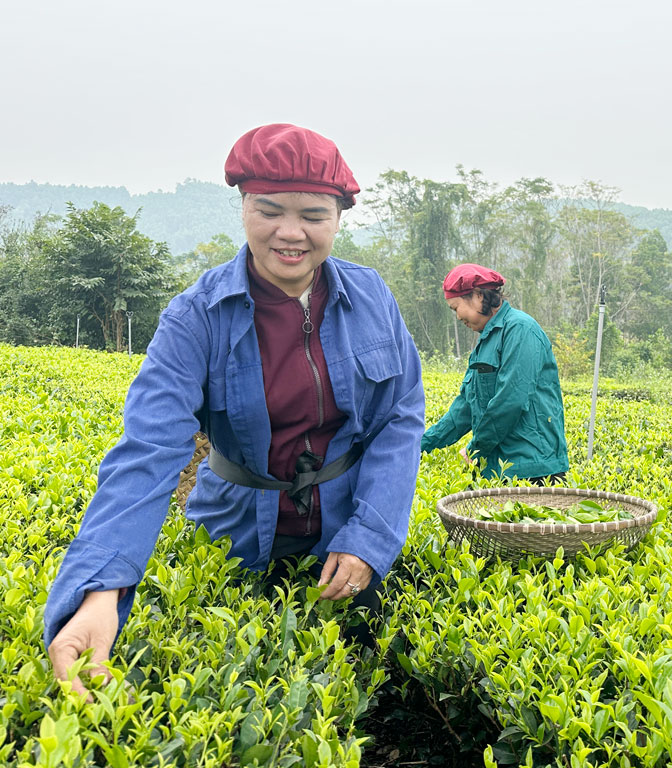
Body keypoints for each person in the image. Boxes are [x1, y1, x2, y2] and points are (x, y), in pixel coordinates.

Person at [45, 123, 425, 695]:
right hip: (237, 535)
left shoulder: (371, 297)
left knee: (352, 688)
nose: (290, 233)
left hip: (346, 533)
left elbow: (400, 416)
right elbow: (148, 451)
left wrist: (370, 536)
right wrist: (100, 590)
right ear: (243, 206)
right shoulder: (195, 317)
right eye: (269, 210)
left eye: (314, 215)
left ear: (339, 217)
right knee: (239, 692)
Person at [421, 264, 569, 484]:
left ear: (479, 296)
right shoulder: (486, 341)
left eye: (456, 308)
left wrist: (475, 447)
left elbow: (511, 400)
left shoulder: (520, 329)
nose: (458, 317)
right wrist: (420, 445)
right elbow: (465, 407)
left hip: (532, 470)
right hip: (495, 469)